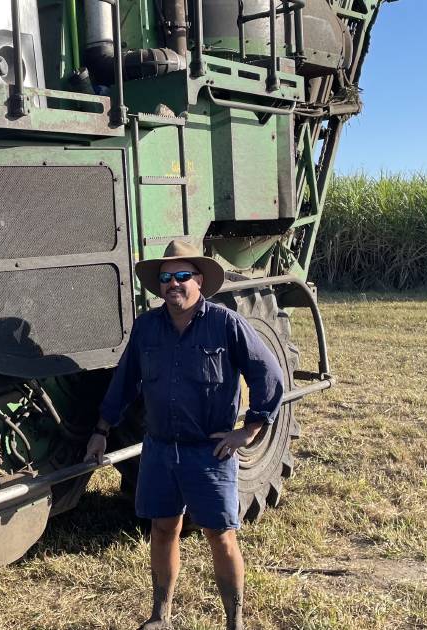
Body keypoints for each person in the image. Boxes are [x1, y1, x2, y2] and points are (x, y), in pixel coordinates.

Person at [85, 239, 284, 630]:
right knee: (163, 529)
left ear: (199, 280)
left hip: (208, 454)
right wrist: (100, 430)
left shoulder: (225, 324)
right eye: (165, 278)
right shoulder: (146, 329)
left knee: (220, 536)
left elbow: (269, 374)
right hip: (158, 450)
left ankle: (234, 623)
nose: (172, 284)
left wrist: (251, 430)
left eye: (181, 276)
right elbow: (124, 384)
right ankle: (161, 617)